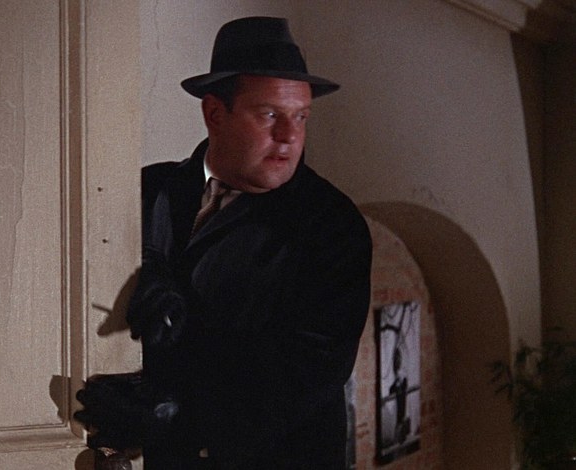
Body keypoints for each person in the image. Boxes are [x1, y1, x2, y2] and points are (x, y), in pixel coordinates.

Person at [77, 16, 372, 469]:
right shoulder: (148, 190)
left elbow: (306, 375)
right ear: (215, 114)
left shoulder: (332, 224)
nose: (290, 136)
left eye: (300, 116)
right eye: (269, 114)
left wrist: (177, 417)